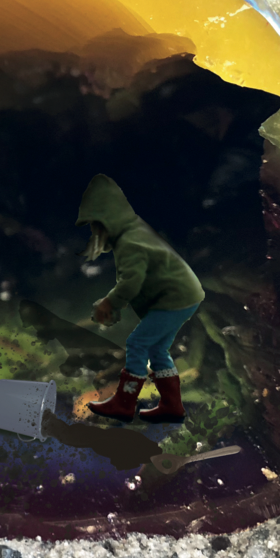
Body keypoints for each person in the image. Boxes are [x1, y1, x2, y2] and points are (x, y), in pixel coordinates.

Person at [77, 175, 204, 423]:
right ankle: (171, 405)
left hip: (175, 299)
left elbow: (132, 281)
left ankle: (124, 403)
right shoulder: (132, 231)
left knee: (137, 344)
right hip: (183, 295)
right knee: (157, 349)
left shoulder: (129, 241)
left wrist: (110, 303)